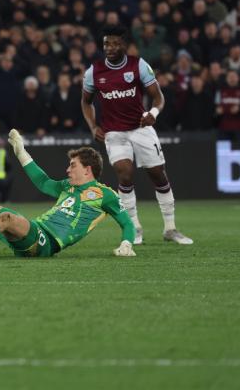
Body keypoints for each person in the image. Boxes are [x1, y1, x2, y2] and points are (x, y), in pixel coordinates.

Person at [0, 129, 137, 258]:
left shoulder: (105, 194)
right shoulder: (66, 187)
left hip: (47, 242)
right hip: (34, 229)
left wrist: (127, 243)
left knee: (5, 218)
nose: (68, 169)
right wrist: (21, 152)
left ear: (88, 170)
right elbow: (42, 181)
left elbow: (126, 223)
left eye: (73, 165)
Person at [81, 30, 193, 246]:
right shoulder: (93, 72)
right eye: (106, 44)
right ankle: (135, 227)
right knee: (124, 174)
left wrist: (154, 113)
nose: (110, 48)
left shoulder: (138, 65)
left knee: (158, 175)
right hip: (114, 132)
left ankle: (170, 228)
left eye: (115, 43)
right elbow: (86, 102)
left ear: (124, 45)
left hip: (140, 127)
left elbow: (158, 97)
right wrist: (93, 126)